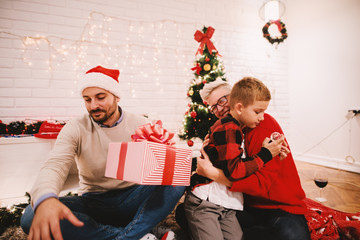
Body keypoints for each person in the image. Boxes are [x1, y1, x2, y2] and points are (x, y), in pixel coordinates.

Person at [20, 65, 185, 240]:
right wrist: (46, 199)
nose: (93, 106)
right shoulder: (75, 127)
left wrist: (164, 157)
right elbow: (55, 165)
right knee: (31, 215)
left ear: (116, 96)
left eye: (100, 97)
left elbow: (162, 166)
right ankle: (136, 234)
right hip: (94, 202)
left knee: (178, 176)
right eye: (87, 99)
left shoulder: (141, 124)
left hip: (133, 198)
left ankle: (126, 235)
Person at [195, 80, 311, 239]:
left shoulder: (263, 124)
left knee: (293, 236)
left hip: (280, 208)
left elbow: (260, 184)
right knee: (196, 214)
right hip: (246, 205)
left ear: (237, 100)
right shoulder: (227, 130)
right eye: (214, 107)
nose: (220, 109)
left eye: (222, 100)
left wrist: (212, 173)